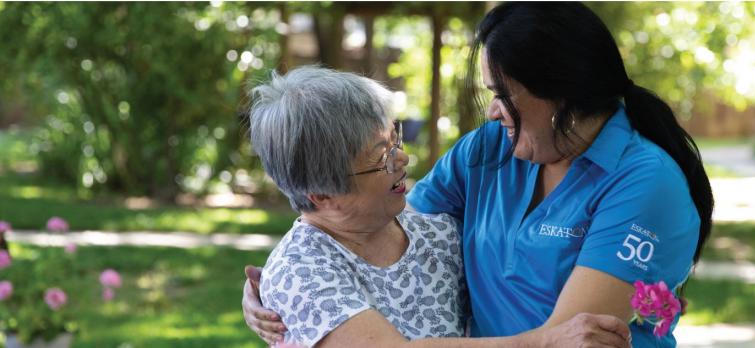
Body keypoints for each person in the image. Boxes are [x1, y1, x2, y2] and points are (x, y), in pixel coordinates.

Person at [245, 3, 713, 347]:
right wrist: (284, 291)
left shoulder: (645, 184)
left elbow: (572, 342)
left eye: (503, 94)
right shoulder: (490, 151)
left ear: (560, 92)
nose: (492, 111)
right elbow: (377, 224)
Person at [245, 66, 631, 348]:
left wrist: (647, 290)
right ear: (323, 195)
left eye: (394, 139)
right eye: (382, 157)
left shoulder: (436, 233)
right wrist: (545, 341)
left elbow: (517, 270)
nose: (403, 160)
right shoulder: (298, 272)